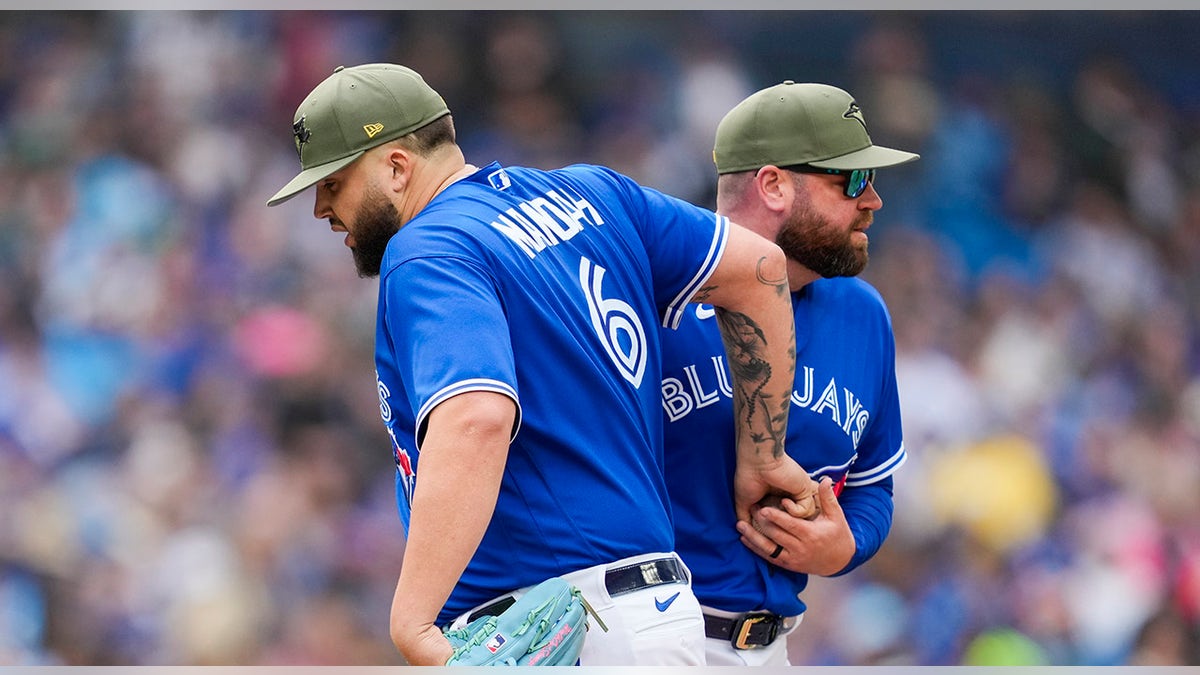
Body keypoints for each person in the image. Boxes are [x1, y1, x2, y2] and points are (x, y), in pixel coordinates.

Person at [265, 63, 815, 666]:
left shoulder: (428, 249)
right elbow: (763, 268)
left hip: (569, 626)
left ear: (397, 167)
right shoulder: (594, 193)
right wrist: (763, 453)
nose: (320, 206)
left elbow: (476, 418)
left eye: (334, 182)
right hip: (654, 614)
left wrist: (413, 619)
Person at [660, 81, 919, 665]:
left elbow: (874, 484)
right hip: (646, 638)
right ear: (774, 184)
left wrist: (843, 547)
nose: (873, 199)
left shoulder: (863, 314)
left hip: (771, 648)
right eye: (850, 180)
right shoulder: (656, 297)